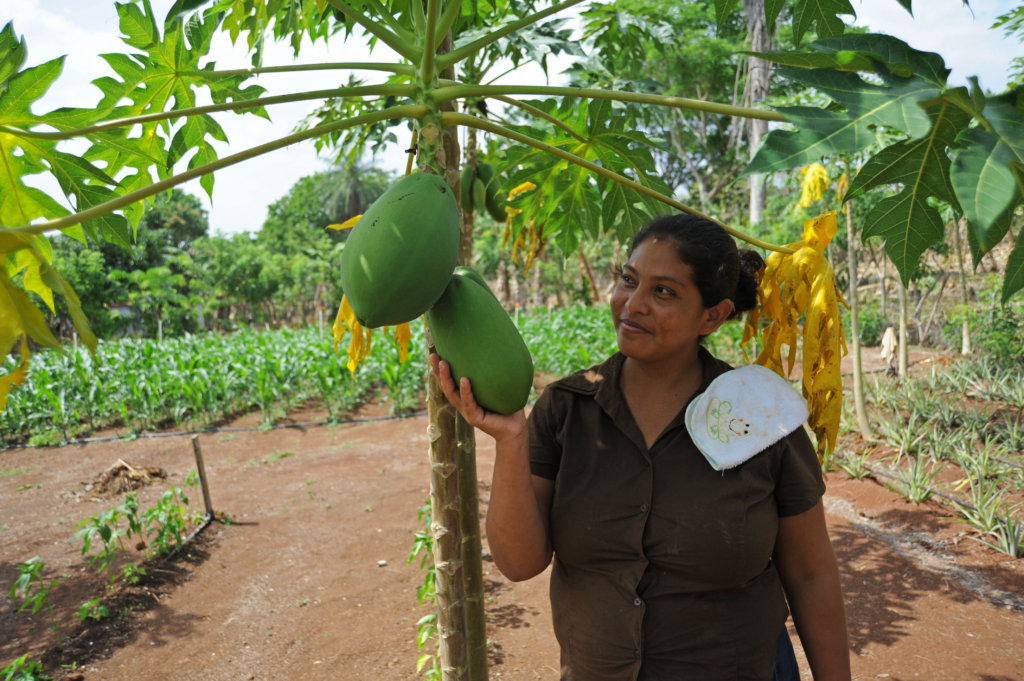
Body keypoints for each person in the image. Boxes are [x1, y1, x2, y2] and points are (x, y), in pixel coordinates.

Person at [431, 213, 851, 681]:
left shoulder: (762, 417)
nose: (633, 304)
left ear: (712, 316)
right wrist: (510, 439)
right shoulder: (567, 409)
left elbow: (811, 574)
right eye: (628, 280)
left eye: (663, 291)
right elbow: (519, 563)